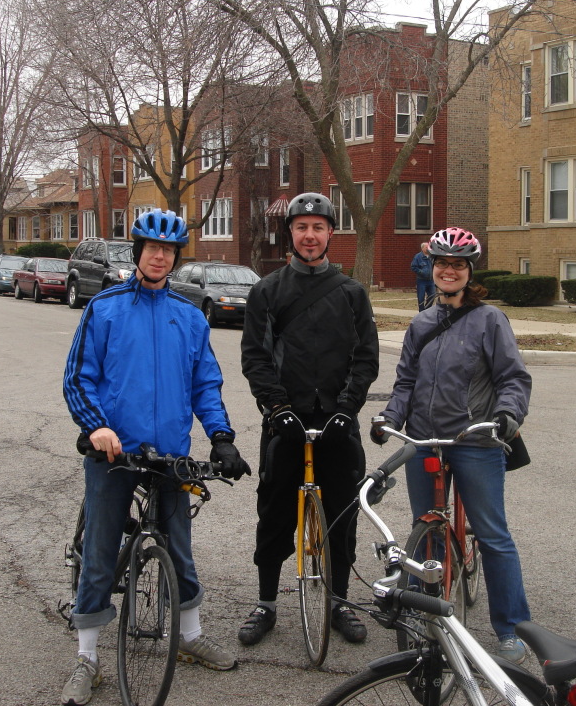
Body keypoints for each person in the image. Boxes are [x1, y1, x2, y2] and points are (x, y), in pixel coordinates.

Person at [61, 208, 251, 706]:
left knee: (179, 548)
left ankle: (189, 637)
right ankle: (87, 657)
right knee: (101, 553)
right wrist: (96, 427)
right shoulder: (103, 309)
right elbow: (77, 378)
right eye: (151, 248)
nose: (160, 256)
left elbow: (205, 384)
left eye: (168, 250)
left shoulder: (188, 317)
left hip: (170, 454)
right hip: (114, 453)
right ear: (138, 251)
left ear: (175, 257)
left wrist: (223, 437)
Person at [370, 226, 534, 664]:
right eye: (442, 263)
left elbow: (513, 379)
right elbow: (405, 381)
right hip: (425, 439)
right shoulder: (421, 321)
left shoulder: (489, 320)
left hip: (475, 440)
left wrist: (506, 416)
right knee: (426, 531)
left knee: (494, 535)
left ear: (468, 271)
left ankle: (512, 629)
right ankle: (429, 611)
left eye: (457, 264)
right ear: (433, 268)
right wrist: (390, 418)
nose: (448, 270)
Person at [238, 192, 380, 647]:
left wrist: (348, 407)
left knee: (341, 512)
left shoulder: (352, 292)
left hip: (337, 420)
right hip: (287, 420)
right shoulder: (267, 290)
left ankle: (339, 602)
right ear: (291, 234)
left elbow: (366, 357)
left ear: (331, 233)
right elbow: (256, 357)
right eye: (302, 227)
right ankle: (266, 603)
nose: (310, 235)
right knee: (275, 510)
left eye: (318, 227)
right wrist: (276, 408)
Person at [411, 241, 435, 311]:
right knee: (421, 297)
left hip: (431, 280)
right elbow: (413, 267)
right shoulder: (418, 257)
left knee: (432, 295)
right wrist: (421, 272)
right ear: (422, 248)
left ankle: (427, 310)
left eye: (429, 247)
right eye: (426, 247)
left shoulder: (432, 256)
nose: (428, 249)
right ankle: (421, 312)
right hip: (421, 281)